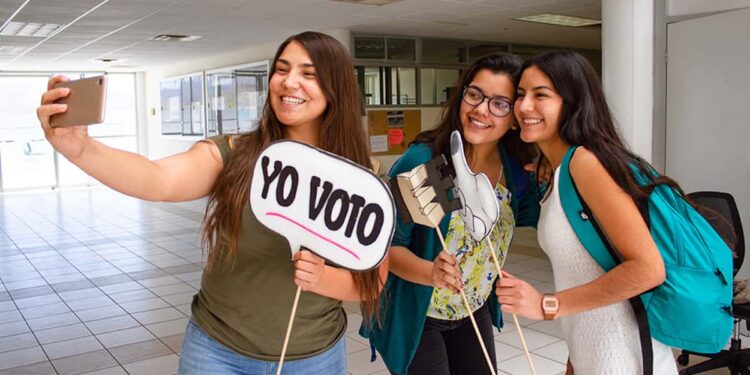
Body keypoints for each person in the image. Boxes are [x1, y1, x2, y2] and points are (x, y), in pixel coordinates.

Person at [37, 31, 387, 375]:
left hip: (315, 357)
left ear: (335, 87)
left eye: (308, 74)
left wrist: (322, 278)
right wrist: (81, 149)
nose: (289, 82)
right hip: (216, 353)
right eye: (282, 69)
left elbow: (373, 280)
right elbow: (157, 179)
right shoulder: (235, 153)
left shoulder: (362, 180)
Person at [496, 50, 679, 374]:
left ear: (573, 102)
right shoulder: (562, 169)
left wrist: (546, 304)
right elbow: (586, 272)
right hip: (594, 354)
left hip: (622, 359)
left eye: (541, 95)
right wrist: (574, 362)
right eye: (521, 94)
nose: (524, 106)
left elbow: (648, 269)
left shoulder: (585, 163)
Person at [361, 53, 541, 375]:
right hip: (420, 314)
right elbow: (386, 246)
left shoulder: (516, 169)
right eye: (475, 95)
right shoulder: (424, 161)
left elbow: (540, 216)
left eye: (500, 103)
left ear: (515, 117)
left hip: (474, 308)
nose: (481, 110)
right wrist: (430, 272)